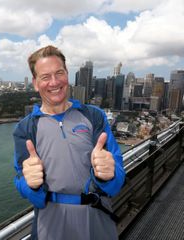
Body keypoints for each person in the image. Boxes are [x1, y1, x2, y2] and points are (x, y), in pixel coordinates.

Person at [13, 45, 125, 240]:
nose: (54, 82)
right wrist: (29, 184)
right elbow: (23, 184)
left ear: (67, 75)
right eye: (45, 77)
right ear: (35, 83)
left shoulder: (93, 116)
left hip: (96, 214)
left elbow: (116, 182)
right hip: (51, 219)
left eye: (59, 73)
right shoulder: (26, 128)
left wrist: (110, 174)